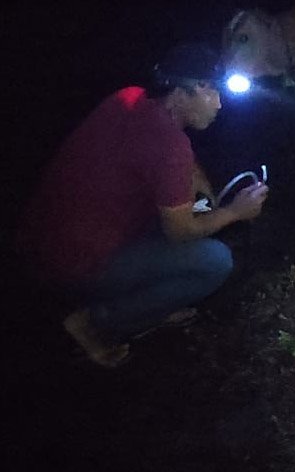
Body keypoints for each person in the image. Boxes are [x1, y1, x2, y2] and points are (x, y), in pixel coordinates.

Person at [16, 42, 270, 368]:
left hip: (42, 245)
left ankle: (153, 302)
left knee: (189, 216)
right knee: (214, 260)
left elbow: (172, 158)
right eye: (210, 92)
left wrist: (200, 188)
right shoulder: (169, 147)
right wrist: (234, 211)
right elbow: (180, 231)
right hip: (77, 267)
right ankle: (95, 323)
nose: (219, 104)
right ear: (179, 94)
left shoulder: (129, 99)